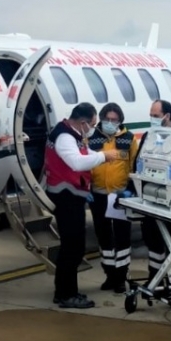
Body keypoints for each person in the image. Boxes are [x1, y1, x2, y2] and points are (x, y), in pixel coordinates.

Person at [43, 102, 122, 308]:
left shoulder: (73, 134)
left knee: (73, 246)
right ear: (83, 122)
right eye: (93, 124)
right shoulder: (65, 137)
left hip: (73, 194)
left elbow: (84, 155)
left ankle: (66, 291)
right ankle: (66, 294)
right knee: (73, 247)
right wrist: (104, 156)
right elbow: (77, 162)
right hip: (66, 196)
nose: (93, 128)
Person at [88, 102, 138, 294]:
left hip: (119, 197)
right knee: (103, 235)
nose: (110, 123)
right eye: (107, 119)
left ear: (120, 121)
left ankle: (121, 276)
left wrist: (131, 190)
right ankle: (109, 274)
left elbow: (135, 165)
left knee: (122, 237)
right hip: (98, 195)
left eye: (114, 120)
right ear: (101, 119)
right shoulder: (91, 138)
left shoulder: (128, 138)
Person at [138, 99, 171, 285]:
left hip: (170, 198)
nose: (152, 119)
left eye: (156, 116)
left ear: (167, 116)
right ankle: (155, 278)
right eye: (151, 115)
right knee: (152, 239)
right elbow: (139, 163)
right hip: (151, 196)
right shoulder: (148, 136)